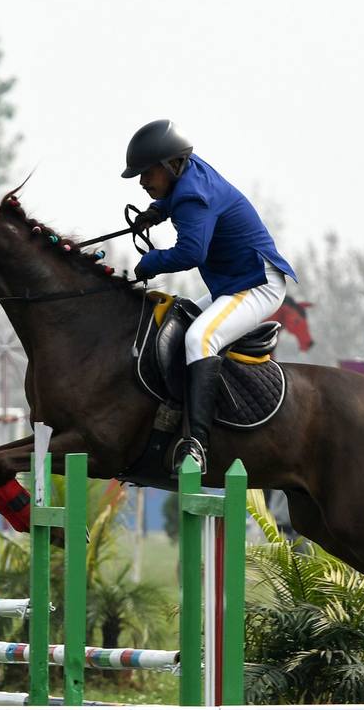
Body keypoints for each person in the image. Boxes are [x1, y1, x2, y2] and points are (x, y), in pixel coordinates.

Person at [123, 119, 297, 472]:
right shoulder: (187, 172)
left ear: (171, 165)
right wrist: (157, 212)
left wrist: (151, 262)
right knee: (178, 317)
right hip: (232, 283)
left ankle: (196, 445)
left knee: (200, 339)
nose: (142, 182)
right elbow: (176, 198)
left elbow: (191, 253)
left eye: (146, 173)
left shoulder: (191, 196)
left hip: (256, 284)